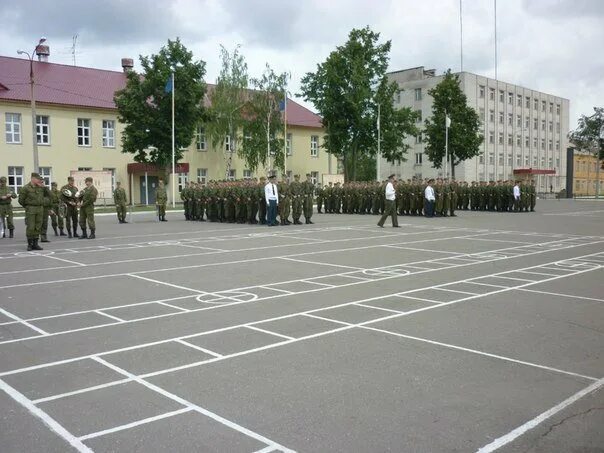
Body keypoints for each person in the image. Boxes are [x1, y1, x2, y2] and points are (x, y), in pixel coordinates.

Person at [18, 173, 45, 251]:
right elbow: (21, 200)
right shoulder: (25, 188)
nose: (39, 180)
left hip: (40, 209)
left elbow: (49, 196)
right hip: (31, 209)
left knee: (38, 226)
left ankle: (35, 244)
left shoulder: (40, 188)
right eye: (38, 179)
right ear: (33, 178)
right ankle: (30, 244)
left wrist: (44, 188)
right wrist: (28, 206)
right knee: (31, 227)